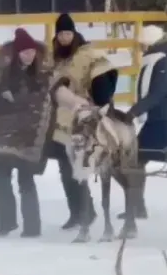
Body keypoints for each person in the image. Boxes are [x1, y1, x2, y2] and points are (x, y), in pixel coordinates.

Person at [0, 28, 59, 237]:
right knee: (1, 177)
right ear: (17, 53)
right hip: (3, 133)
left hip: (29, 135)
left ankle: (32, 226)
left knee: (26, 178)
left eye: (32, 51)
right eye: (25, 52)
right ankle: (6, 222)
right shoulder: (1, 73)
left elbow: (55, 96)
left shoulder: (45, 74)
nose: (29, 55)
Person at [48, 12, 120, 229]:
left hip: (82, 117)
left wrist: (100, 100)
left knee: (79, 165)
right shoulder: (54, 56)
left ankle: (86, 212)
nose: (64, 38)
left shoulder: (87, 54)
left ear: (74, 33)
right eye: (61, 34)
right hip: (59, 119)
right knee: (65, 168)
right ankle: (76, 212)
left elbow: (104, 73)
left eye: (68, 33)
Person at [125, 24, 167, 219]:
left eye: (143, 44)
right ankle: (137, 206)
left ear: (151, 44)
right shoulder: (153, 61)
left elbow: (158, 93)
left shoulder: (164, 62)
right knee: (135, 159)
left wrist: (134, 111)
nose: (141, 48)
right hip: (154, 121)